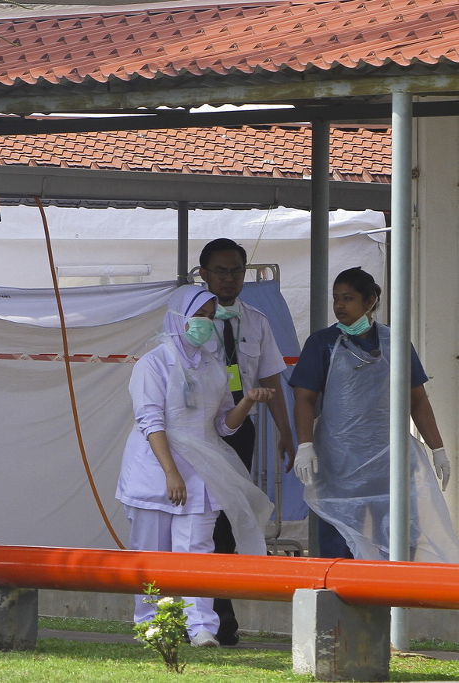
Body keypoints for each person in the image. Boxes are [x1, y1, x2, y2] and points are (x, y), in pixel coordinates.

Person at [116, 284, 275, 648]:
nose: (204, 323)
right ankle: (151, 625)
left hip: (203, 468)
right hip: (156, 470)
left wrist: (247, 401)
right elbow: (151, 421)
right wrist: (171, 472)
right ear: (177, 317)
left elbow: (222, 424)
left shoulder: (213, 366)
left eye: (209, 316)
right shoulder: (152, 363)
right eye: (198, 315)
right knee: (151, 553)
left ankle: (200, 626)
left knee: (198, 550)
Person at [290, 267, 459, 563]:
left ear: (370, 302)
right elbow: (304, 398)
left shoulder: (395, 343)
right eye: (336, 299)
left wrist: (438, 448)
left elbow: (417, 400)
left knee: (399, 534)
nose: (339, 306)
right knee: (339, 535)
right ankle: (340, 602)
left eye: (348, 298)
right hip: (339, 461)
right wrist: (305, 445)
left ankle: (394, 600)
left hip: (388, 458)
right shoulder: (323, 343)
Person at [197, 238, 294, 646]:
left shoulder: (255, 320)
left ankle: (222, 618)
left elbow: (271, 377)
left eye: (236, 270)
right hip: (198, 432)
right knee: (197, 522)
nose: (230, 279)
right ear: (203, 274)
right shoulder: (188, 318)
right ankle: (202, 615)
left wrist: (288, 434)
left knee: (229, 521)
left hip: (239, 431)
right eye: (221, 271)